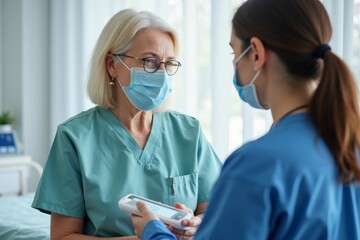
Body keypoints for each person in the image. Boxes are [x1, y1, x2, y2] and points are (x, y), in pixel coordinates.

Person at [130, 0, 360, 239]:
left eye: (235, 52)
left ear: (257, 53)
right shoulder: (347, 145)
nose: (234, 62)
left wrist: (153, 231)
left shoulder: (257, 165)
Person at [31, 9, 222, 239]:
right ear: (112, 64)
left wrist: (195, 225)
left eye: (169, 63)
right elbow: (63, 236)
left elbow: (213, 211)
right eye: (150, 61)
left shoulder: (189, 132)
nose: (161, 73)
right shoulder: (74, 137)